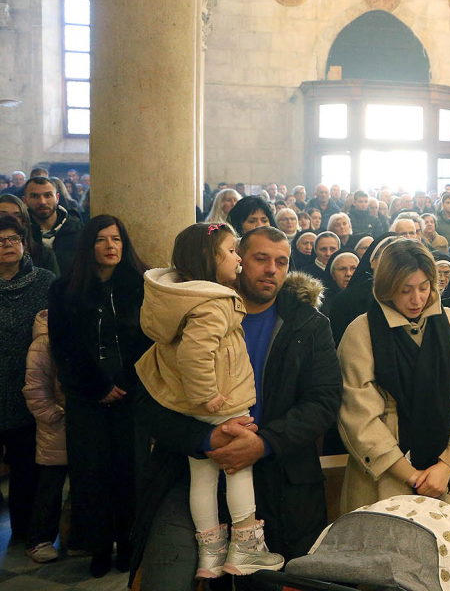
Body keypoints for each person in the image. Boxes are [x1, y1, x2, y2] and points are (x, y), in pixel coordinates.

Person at [133, 223, 286, 578]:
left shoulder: (181, 301)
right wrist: (209, 398)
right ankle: (246, 544)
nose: (239, 260)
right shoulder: (214, 302)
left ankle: (211, 552)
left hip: (197, 411)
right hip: (224, 406)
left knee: (203, 473)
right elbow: (195, 354)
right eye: (236, 252)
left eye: (281, 260)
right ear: (211, 258)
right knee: (236, 468)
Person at [336, 240, 450, 516]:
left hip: (448, 471)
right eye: (405, 290)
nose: (417, 299)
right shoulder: (361, 332)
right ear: (386, 287)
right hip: (384, 475)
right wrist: (410, 475)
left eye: (424, 287)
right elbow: (357, 415)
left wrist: (446, 465)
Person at [46, 216, 150, 575]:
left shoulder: (141, 285)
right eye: (102, 240)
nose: (111, 246)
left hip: (131, 393)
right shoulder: (65, 290)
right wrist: (98, 387)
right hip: (87, 398)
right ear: (88, 245)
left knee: (130, 471)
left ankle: (130, 543)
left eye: (117, 239)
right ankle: (99, 546)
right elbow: (64, 347)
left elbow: (148, 342)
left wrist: (126, 383)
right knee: (92, 473)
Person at [0, 213, 55, 551]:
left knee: (25, 466)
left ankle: (25, 531)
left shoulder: (45, 281)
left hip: (29, 387)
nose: (7, 246)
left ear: (23, 242)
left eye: (12, 239)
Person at [24, 309, 66, 564]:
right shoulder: (44, 342)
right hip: (56, 426)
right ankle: (38, 540)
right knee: (50, 486)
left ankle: (77, 537)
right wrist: (53, 415)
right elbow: (35, 388)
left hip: (81, 423)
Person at [25, 176, 83, 273]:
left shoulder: (77, 230)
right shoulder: (21, 232)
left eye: (48, 195)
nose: (42, 202)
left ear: (57, 198)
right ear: (25, 200)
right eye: (35, 196)